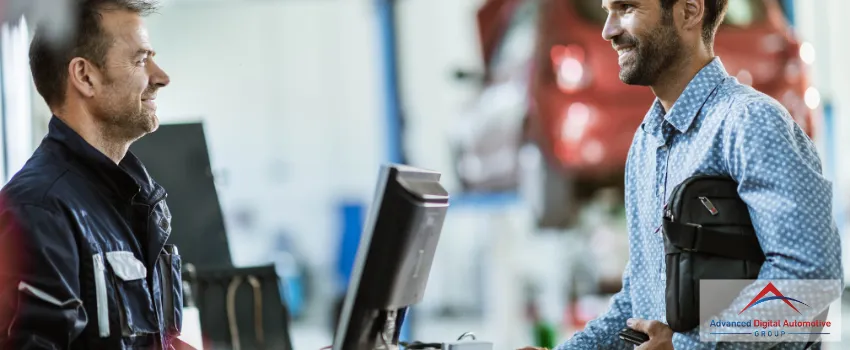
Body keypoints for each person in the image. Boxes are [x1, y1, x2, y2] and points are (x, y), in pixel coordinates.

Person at [520, 0, 842, 349]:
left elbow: (810, 285)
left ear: (689, 11)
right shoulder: (645, 143)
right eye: (607, 10)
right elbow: (640, 303)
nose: (608, 30)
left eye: (626, 8)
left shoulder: (750, 124)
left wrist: (690, 346)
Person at [0, 0, 190, 348]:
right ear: (85, 76)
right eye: (141, 59)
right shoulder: (39, 211)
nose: (161, 77)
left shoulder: (135, 200)